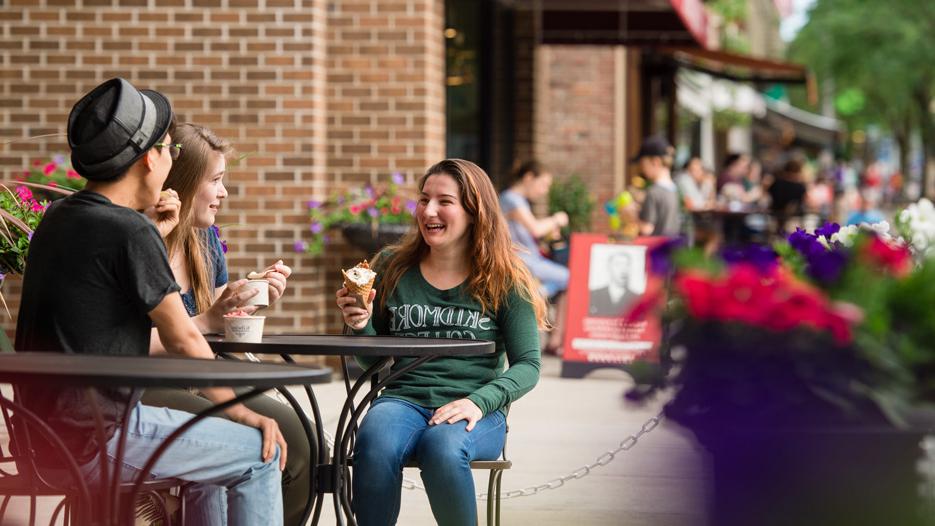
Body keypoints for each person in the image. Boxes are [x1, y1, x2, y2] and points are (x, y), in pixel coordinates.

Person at [14, 78, 285, 525]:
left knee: (212, 465)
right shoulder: (126, 229)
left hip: (41, 438)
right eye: (168, 149)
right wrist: (239, 411)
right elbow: (183, 339)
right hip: (98, 438)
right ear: (148, 159)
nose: (170, 158)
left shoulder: (59, 220)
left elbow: (97, 316)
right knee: (259, 454)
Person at [336, 158, 546, 526]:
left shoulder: (505, 278)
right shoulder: (390, 266)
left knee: (442, 449)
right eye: (423, 199)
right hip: (403, 398)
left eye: (444, 201)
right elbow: (373, 363)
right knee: (374, 440)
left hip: (475, 408)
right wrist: (362, 325)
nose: (428, 210)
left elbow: (529, 365)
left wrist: (478, 403)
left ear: (473, 210)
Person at [139, 123, 310, 526]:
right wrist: (208, 319)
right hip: (145, 387)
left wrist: (249, 299)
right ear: (181, 183)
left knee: (301, 442)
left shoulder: (206, 241)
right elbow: (127, 342)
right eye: (215, 180)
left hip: (200, 376)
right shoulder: (141, 238)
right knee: (260, 442)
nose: (223, 192)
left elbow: (213, 327)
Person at [499, 160, 568, 354]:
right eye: (543, 184)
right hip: (523, 261)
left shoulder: (517, 200)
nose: (544, 191)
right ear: (529, 177)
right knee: (571, 278)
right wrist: (557, 219)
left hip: (529, 259)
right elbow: (535, 229)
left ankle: (539, 297)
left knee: (567, 280)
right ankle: (537, 297)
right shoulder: (511, 198)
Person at [634, 135, 681, 237]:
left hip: (656, 249)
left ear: (655, 162)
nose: (642, 169)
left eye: (643, 164)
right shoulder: (675, 190)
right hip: (672, 248)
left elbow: (647, 228)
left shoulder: (653, 192)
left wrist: (631, 216)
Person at [588, 251, 639, 317]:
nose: (623, 269)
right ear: (609, 267)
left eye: (627, 265)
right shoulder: (594, 294)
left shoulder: (637, 298)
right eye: (618, 264)